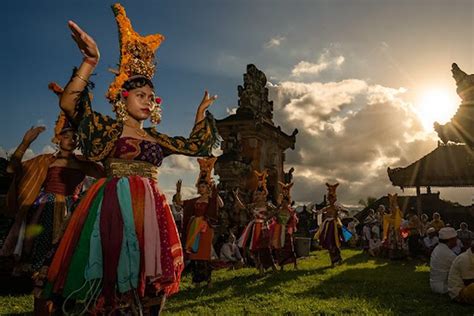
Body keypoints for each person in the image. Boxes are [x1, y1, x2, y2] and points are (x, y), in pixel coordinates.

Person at [44, 4, 221, 314]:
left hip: (151, 209)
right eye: (141, 95)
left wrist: (199, 114)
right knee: (112, 266)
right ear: (123, 98)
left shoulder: (156, 139)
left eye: (151, 97)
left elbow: (195, 145)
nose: (148, 101)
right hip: (114, 204)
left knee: (149, 273)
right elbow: (71, 102)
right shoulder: (107, 130)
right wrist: (90, 60)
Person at [180, 158, 223, 288]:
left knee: (204, 253)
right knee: (194, 254)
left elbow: (221, 204)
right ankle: (197, 280)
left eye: (203, 186)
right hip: (194, 226)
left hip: (206, 227)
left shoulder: (211, 200)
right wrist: (177, 191)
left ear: (208, 187)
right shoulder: (195, 201)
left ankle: (208, 280)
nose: (201, 188)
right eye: (200, 186)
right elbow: (181, 203)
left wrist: (215, 193)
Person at [238, 170, 277, 275]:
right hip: (254, 228)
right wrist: (236, 197)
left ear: (264, 194)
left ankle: (272, 267)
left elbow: (275, 211)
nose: (258, 195)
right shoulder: (253, 205)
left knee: (265, 249)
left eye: (261, 193)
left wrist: (266, 218)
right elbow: (243, 207)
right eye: (257, 193)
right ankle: (260, 269)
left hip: (264, 228)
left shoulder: (268, 205)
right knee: (255, 249)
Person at [314, 183, 344, 267]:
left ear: (334, 199)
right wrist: (316, 212)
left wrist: (339, 213)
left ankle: (338, 258)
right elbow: (320, 211)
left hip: (334, 227)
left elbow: (343, 213)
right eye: (329, 199)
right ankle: (333, 261)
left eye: (332, 199)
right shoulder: (326, 208)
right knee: (330, 244)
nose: (331, 200)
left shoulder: (336, 207)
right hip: (328, 227)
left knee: (335, 243)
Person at [272, 182, 298, 271]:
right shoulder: (279, 210)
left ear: (288, 202)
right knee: (280, 249)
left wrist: (289, 228)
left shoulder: (291, 211)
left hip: (287, 232)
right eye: (283, 202)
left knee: (290, 248)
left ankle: (295, 265)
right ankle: (282, 266)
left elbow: (294, 221)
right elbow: (275, 218)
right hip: (280, 231)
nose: (284, 203)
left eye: (285, 202)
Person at [430, 227, 458, 294]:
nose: (457, 240)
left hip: (434, 285)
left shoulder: (438, 248)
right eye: (456, 238)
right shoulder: (449, 254)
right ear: (451, 240)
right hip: (444, 287)